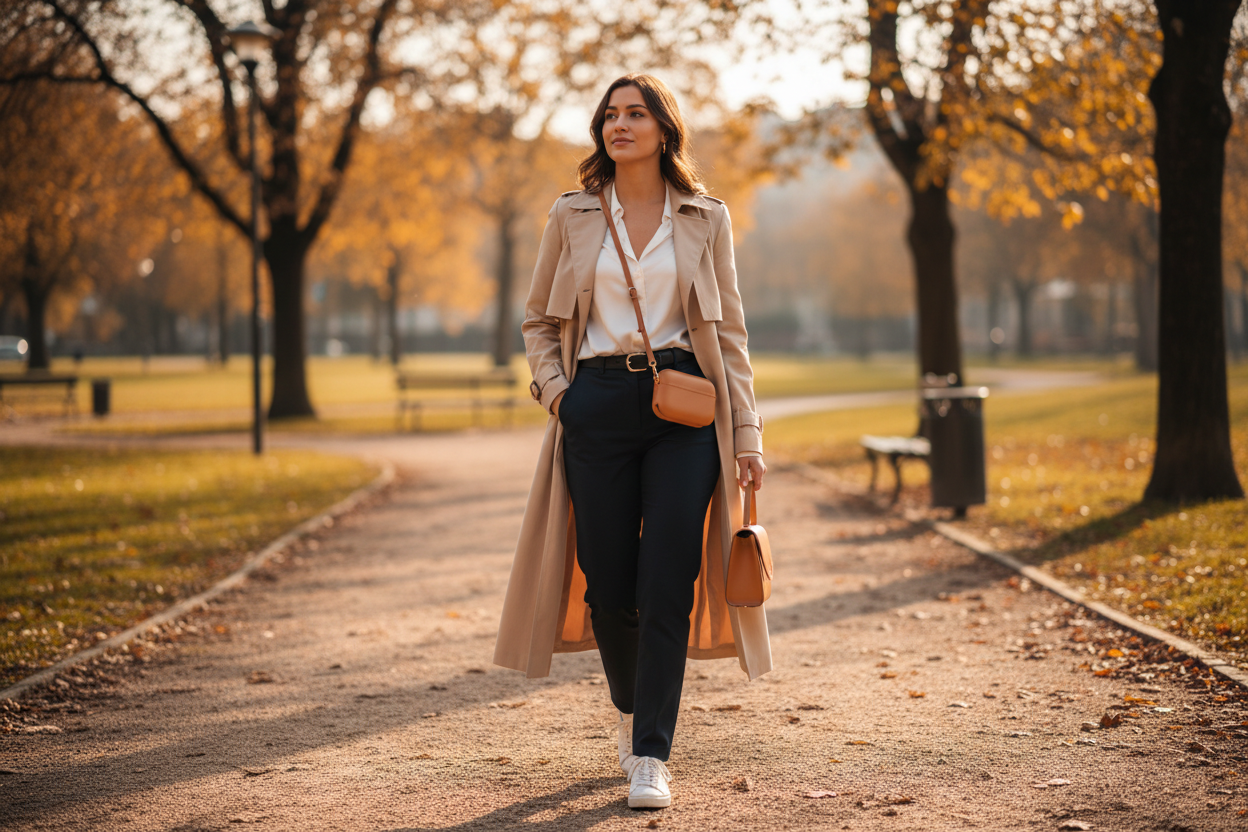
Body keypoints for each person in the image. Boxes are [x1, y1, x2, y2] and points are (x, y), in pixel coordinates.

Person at [493, 73, 772, 810]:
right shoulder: (573, 215)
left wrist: (746, 431)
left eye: (635, 114)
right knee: (609, 583)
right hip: (598, 404)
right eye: (610, 115)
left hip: (686, 406)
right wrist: (561, 396)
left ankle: (651, 752)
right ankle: (628, 708)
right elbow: (537, 323)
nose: (620, 125)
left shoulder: (707, 218)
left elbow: (732, 334)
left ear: (663, 129)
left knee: (666, 580)